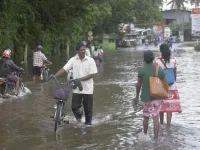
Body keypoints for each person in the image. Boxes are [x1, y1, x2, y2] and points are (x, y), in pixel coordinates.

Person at [51, 41, 98, 125]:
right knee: (74, 107)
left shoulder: (90, 60)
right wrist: (55, 75)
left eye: (84, 49)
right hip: (77, 88)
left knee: (88, 111)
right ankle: (80, 119)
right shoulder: (73, 60)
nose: (83, 51)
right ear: (77, 51)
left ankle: (88, 128)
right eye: (81, 50)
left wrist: (79, 79)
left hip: (88, 88)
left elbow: (92, 75)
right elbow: (64, 69)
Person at [135, 50, 164, 139]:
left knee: (146, 117)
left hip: (145, 97)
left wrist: (136, 96)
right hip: (156, 97)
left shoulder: (141, 70)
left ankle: (145, 135)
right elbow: (163, 82)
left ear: (144, 58)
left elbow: (139, 85)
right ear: (152, 57)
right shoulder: (158, 68)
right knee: (156, 117)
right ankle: (156, 138)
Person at [154, 43, 182, 129]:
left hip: (161, 86)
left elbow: (156, 74)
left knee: (161, 106)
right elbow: (175, 73)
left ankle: (161, 124)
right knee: (169, 108)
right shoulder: (173, 60)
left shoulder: (157, 61)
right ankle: (168, 126)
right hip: (172, 87)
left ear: (161, 51)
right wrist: (173, 82)